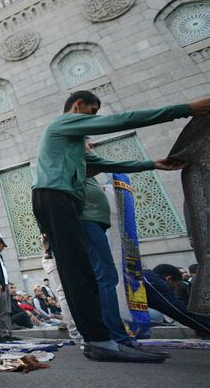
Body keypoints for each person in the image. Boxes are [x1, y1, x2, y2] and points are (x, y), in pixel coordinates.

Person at [31, 89, 210, 363]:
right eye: (92, 112)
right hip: (54, 197)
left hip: (62, 201)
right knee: (78, 273)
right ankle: (100, 342)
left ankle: (99, 340)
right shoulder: (64, 123)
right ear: (78, 106)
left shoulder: (72, 147)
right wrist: (185, 108)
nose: (94, 119)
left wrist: (152, 164)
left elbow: (108, 163)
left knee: (82, 272)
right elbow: (121, 121)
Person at [81, 137, 171, 357]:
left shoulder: (86, 165)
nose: (92, 148)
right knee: (106, 277)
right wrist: (151, 163)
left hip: (96, 224)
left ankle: (108, 337)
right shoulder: (77, 158)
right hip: (88, 223)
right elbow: (112, 165)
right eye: (88, 144)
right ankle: (115, 338)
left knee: (104, 278)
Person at [144, 264, 210, 351]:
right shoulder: (154, 282)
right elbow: (181, 312)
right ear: (169, 279)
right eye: (177, 285)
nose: (175, 290)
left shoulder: (146, 279)